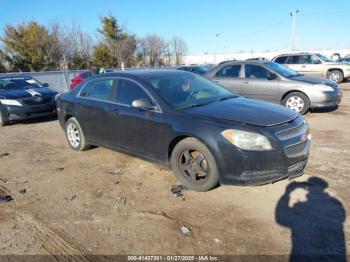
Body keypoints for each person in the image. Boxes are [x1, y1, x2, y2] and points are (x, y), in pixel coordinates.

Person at [276, 177, 346, 261]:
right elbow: (342, 218)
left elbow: (280, 218)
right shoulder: (335, 203)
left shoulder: (302, 206)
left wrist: (288, 192)